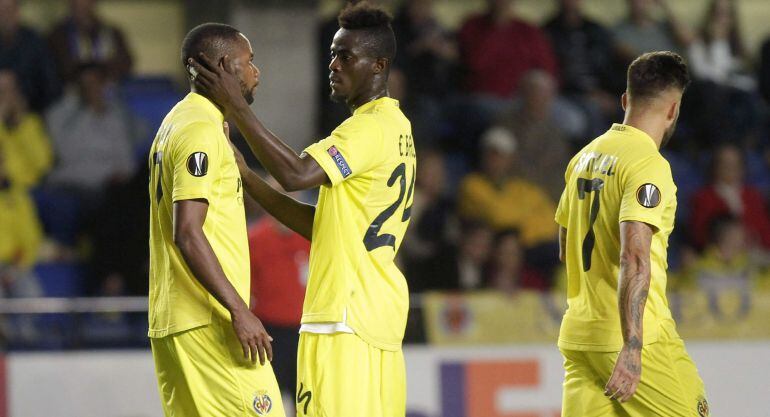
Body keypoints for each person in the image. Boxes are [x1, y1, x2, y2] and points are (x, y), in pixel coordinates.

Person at [189, 3, 414, 416]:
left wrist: (237, 105)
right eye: (332, 53)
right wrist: (248, 177)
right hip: (379, 317)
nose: (333, 64)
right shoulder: (398, 128)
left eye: (345, 56)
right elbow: (325, 227)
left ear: (379, 64)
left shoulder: (364, 129)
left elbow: (296, 173)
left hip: (340, 318)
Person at [555, 51, 708, 416]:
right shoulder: (647, 164)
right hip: (632, 338)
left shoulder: (584, 157)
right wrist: (633, 345)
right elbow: (633, 256)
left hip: (580, 337)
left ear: (625, 100)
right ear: (673, 109)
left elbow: (566, 247)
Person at [147, 23, 284, 417]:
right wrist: (239, 311)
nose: (256, 72)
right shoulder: (200, 130)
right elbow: (187, 232)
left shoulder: (174, 123)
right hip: (209, 322)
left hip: (175, 320)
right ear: (225, 66)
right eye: (249, 61)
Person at [247, 179, 311, 411]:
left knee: (308, 404)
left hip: (307, 335)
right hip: (270, 335)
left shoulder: (312, 237)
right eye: (280, 193)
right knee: (265, 403)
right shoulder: (254, 240)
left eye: (291, 192)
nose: (287, 199)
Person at [48, 0, 133, 83]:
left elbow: (126, 62)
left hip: (108, 90)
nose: (80, 4)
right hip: (70, 91)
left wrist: (102, 72)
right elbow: (54, 68)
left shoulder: (111, 33)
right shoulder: (58, 36)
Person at [0, 0, 61, 113]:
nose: (5, 16)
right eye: (2, 11)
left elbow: (51, 85)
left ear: (18, 12)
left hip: (33, 112)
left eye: (9, 10)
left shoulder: (34, 42)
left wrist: (25, 102)